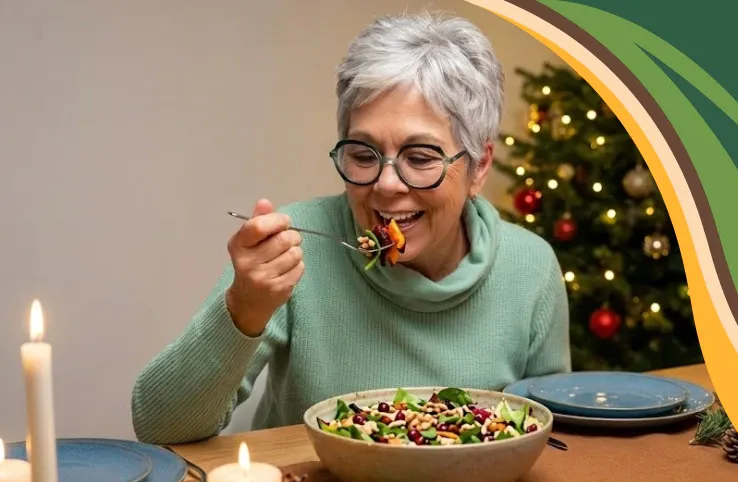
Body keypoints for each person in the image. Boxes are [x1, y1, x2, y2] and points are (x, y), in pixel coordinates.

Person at [131, 11, 570, 445]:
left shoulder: (529, 266)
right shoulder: (291, 249)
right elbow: (159, 426)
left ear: (479, 167)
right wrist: (244, 307)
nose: (386, 183)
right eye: (362, 154)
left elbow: (554, 437)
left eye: (420, 158)